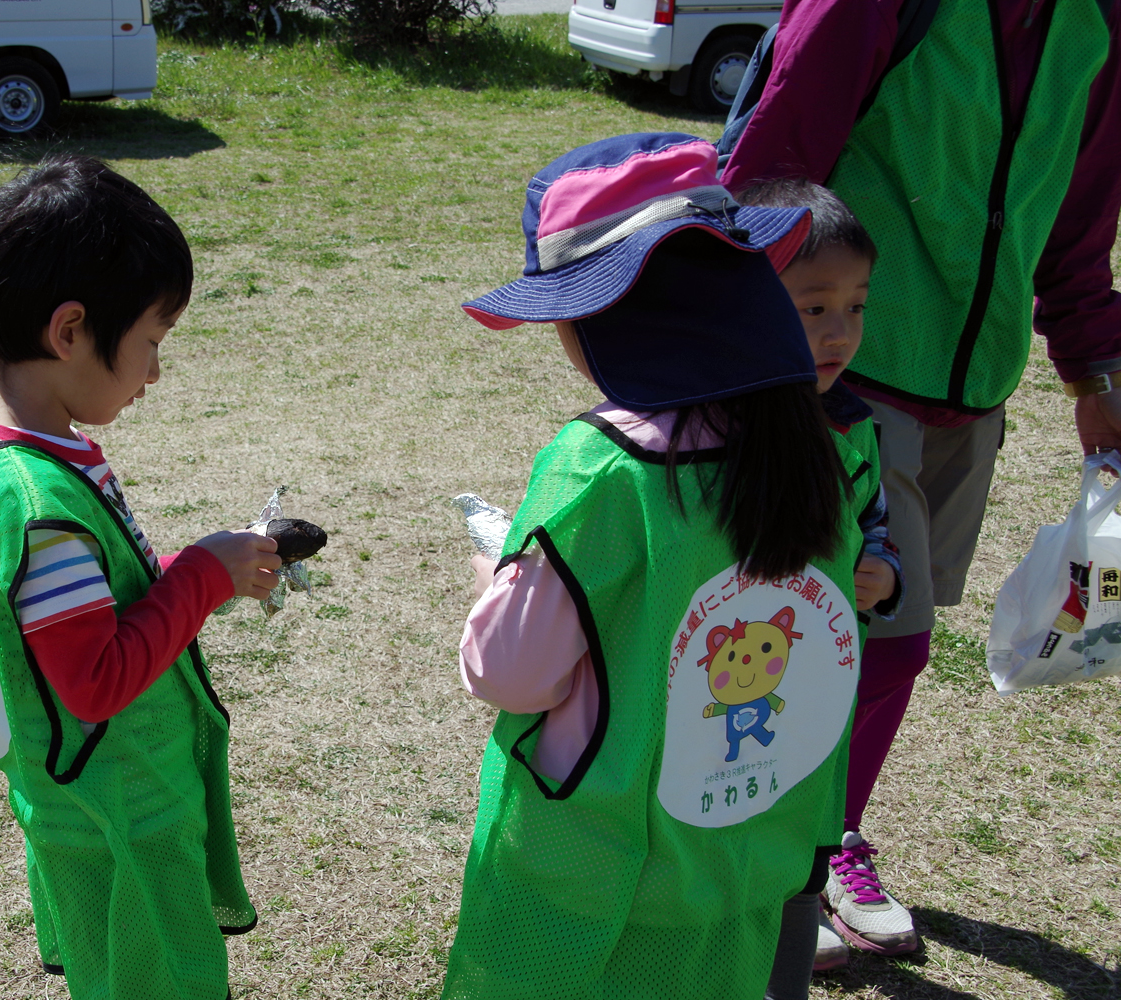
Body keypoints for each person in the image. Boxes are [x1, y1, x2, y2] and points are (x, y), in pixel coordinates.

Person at [441, 133, 885, 1000]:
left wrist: (497, 579)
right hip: (744, 855)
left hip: (593, 872)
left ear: (604, 319)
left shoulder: (603, 466)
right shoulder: (823, 446)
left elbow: (510, 673)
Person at [720, 0, 1121, 958]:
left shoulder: (1097, 22)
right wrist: (746, 358)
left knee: (894, 629)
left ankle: (818, 842)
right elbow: (766, 172)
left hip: (974, 389)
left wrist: (1094, 373)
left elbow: (1076, 221)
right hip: (847, 373)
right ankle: (783, 871)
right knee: (866, 638)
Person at [0, 155, 282, 1000]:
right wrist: (201, 578)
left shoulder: (22, 455)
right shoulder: (39, 504)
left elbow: (85, 614)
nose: (156, 373)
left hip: (105, 799)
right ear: (69, 332)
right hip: (121, 810)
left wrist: (196, 571)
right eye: (151, 344)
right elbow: (93, 680)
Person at [736, 178, 905, 980]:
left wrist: (885, 571)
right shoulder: (719, 426)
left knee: (804, 815)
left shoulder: (855, 425)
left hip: (821, 682)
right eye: (814, 308)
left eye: (857, 306)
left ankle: (793, 925)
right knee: (734, 808)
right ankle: (754, 920)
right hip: (731, 677)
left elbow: (874, 523)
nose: (841, 330)